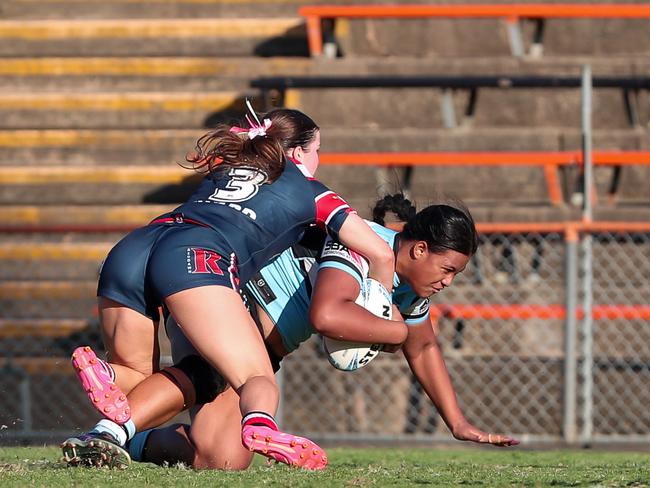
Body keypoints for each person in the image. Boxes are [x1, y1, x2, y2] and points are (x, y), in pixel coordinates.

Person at [65, 193, 519, 470]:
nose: (448, 282)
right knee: (208, 374)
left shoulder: (407, 285)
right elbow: (327, 316)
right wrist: (394, 334)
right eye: (448, 269)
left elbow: (424, 348)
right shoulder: (366, 246)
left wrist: (458, 424)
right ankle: (109, 430)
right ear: (419, 249)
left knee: (221, 459)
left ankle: (128, 433)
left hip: (263, 341)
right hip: (236, 299)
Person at [61, 105, 398, 471]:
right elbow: (379, 252)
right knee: (255, 376)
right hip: (194, 253)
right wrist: (380, 295)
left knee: (137, 377)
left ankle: (107, 375)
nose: (319, 158)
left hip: (133, 248)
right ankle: (260, 423)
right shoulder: (312, 191)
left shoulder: (224, 168)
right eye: (317, 150)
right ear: (298, 153)